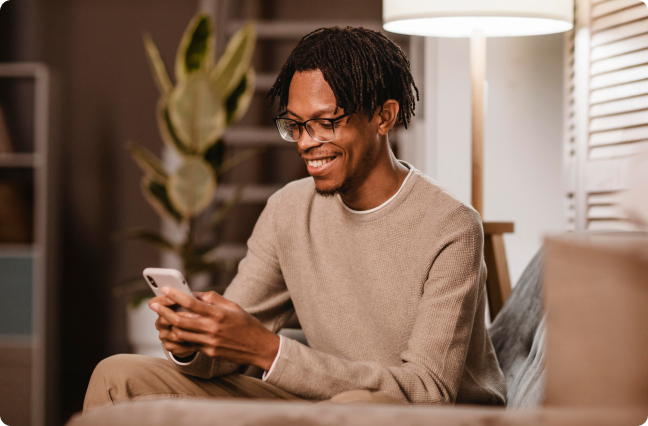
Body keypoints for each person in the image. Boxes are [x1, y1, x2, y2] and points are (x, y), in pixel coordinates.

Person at [84, 26, 506, 410]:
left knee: (361, 408)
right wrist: (194, 342)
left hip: (412, 415)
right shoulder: (288, 209)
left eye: (326, 123)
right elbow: (231, 348)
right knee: (117, 376)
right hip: (321, 403)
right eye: (296, 125)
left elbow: (429, 393)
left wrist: (270, 351)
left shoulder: (451, 226)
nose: (307, 143)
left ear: (384, 116)